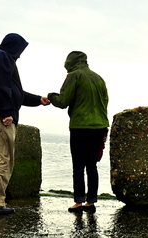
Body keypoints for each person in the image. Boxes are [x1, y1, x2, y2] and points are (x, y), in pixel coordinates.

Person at [0, 33, 50, 215]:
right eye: (20, 50)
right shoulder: (3, 57)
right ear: (13, 47)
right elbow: (0, 86)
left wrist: (38, 100)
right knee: (3, 158)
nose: (20, 55)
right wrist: (7, 112)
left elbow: (15, 92)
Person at [48, 51, 109, 213]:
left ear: (70, 62)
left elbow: (63, 101)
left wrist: (50, 96)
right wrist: (104, 129)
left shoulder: (74, 76)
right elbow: (104, 103)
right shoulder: (98, 78)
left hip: (80, 127)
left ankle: (79, 202)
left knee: (78, 167)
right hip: (99, 127)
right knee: (92, 166)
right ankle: (91, 202)